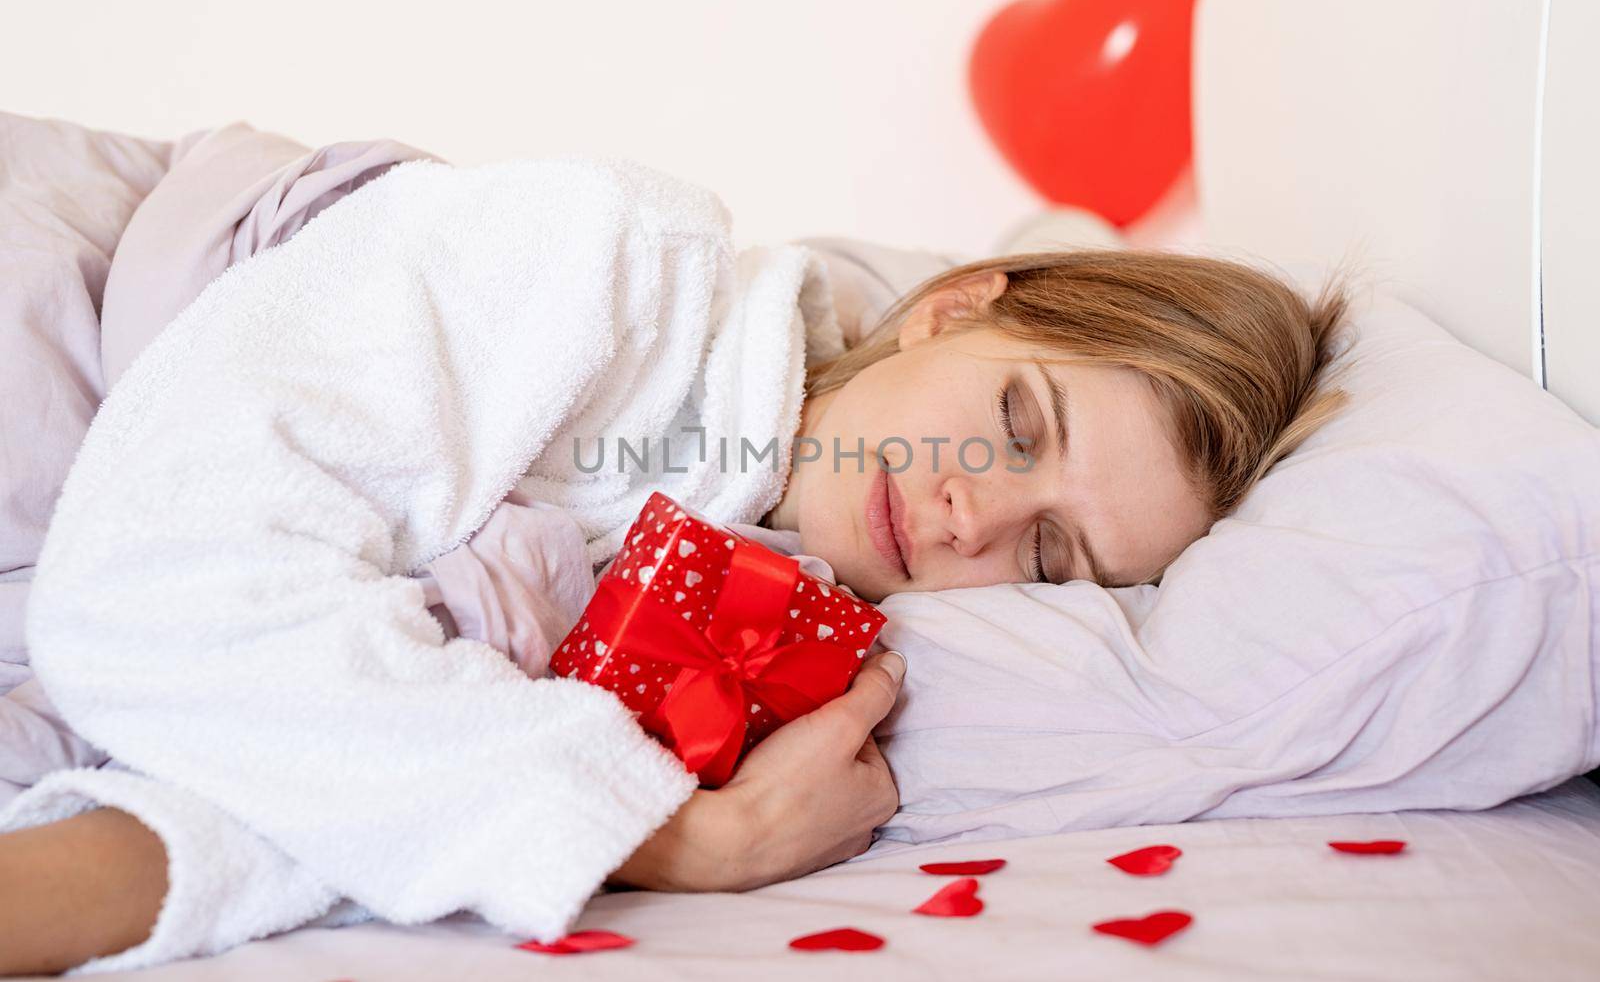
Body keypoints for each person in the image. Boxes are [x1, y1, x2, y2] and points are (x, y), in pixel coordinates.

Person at [0, 240, 1351, 976]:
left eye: (1050, 556)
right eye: (1015, 420)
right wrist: (662, 841)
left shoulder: (753, 621)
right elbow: (161, 592)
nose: (972, 515)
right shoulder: (610, 272)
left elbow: (340, 767)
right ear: (950, 308)